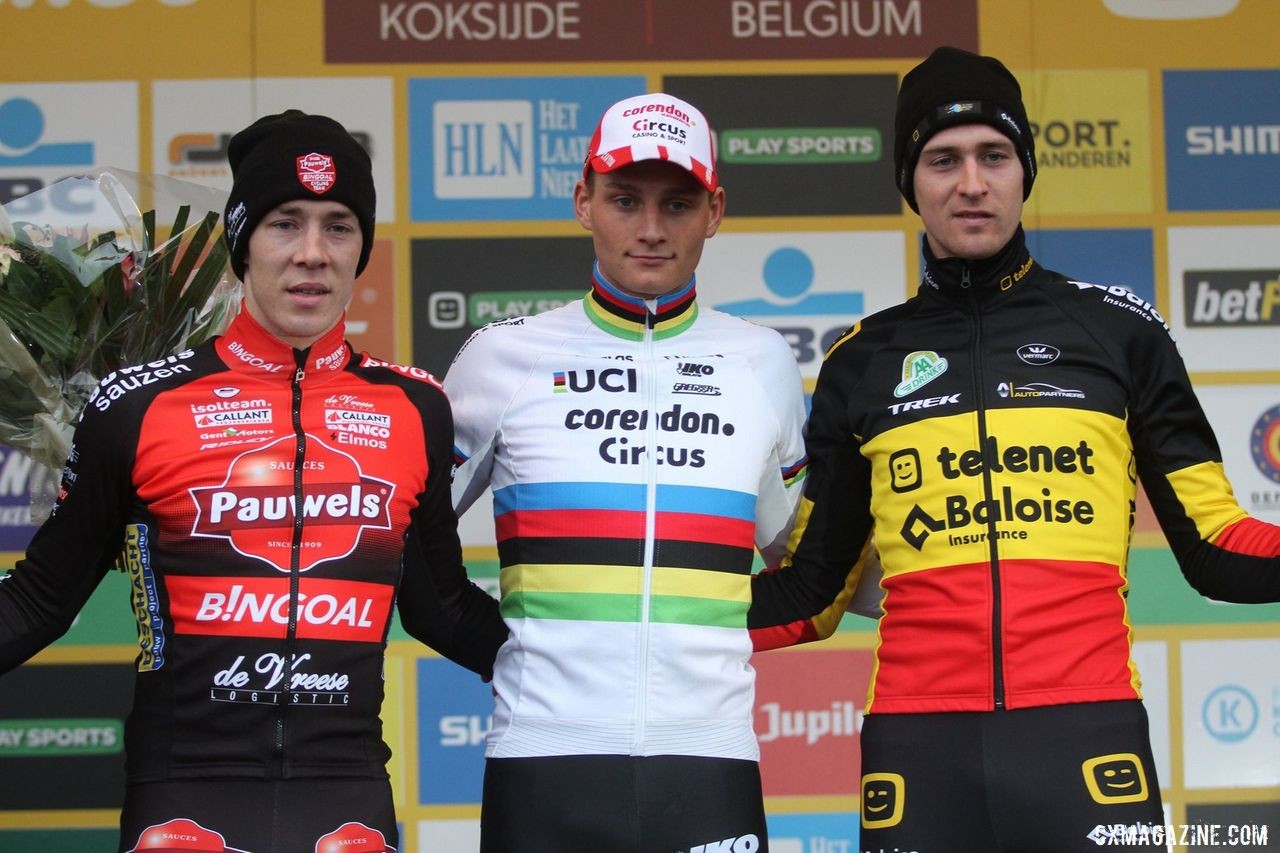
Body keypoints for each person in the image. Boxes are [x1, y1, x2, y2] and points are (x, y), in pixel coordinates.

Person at [749, 46, 1280, 851]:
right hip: (918, 748)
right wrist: (636, 616)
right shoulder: (860, 360)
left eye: (994, 155)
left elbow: (1214, 545)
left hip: (1085, 733)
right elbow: (812, 595)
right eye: (943, 160)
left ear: (1025, 170)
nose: (971, 183)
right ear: (909, 182)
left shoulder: (1119, 333)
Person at [0, 110, 506, 852]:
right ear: (241, 243)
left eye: (339, 226)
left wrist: (592, 660)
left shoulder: (414, 408)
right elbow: (40, 598)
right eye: (284, 223)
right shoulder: (138, 404)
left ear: (362, 246)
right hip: (183, 789)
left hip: (348, 792)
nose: (312, 253)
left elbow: (443, 608)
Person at [444, 92, 842, 852]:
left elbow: (801, 555)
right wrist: (499, 643)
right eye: (626, 200)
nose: (652, 230)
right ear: (583, 201)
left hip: (711, 757)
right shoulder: (504, 358)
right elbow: (403, 538)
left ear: (715, 210)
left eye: (679, 203)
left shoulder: (760, 363)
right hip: (542, 756)